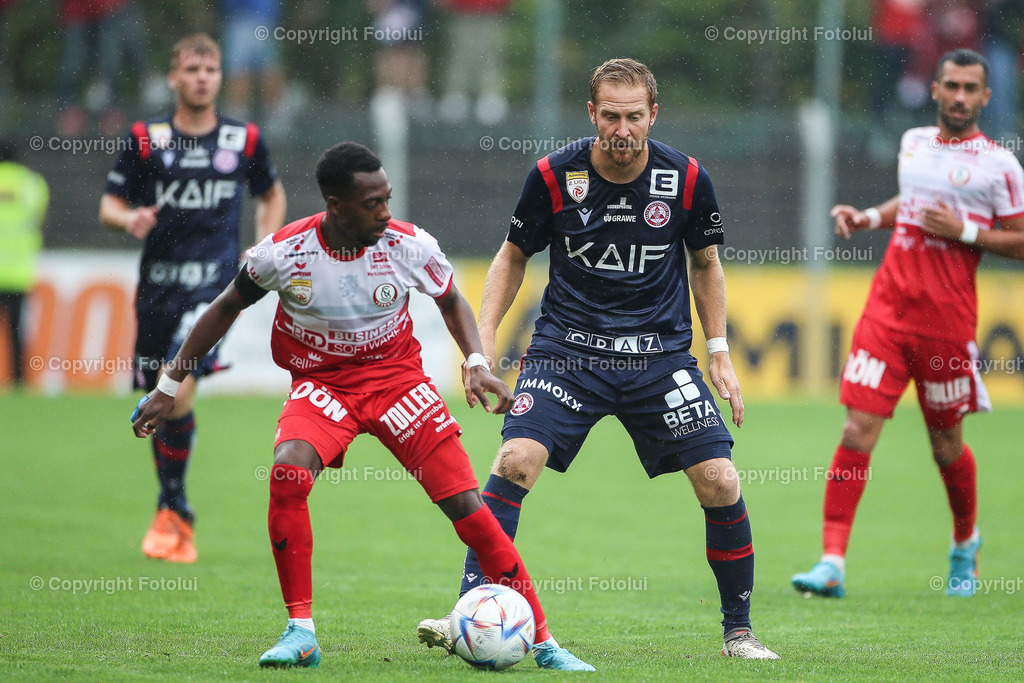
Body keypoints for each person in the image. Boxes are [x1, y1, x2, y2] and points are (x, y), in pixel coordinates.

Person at [130, 141, 589, 670]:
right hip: (323, 385)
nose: (385, 212)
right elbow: (225, 306)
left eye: (387, 198)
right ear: (336, 204)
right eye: (372, 202)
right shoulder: (284, 253)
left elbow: (450, 299)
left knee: (467, 506)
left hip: (397, 384)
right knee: (286, 474)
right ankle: (300, 631)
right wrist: (168, 387)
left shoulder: (407, 245)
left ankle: (546, 641)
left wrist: (477, 361)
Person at [417, 58, 779, 661]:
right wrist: (479, 347)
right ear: (591, 114)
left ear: (652, 115)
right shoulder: (554, 176)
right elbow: (511, 258)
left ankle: (739, 633)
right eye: (610, 115)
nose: (622, 129)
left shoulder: (687, 179)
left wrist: (718, 351)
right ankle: (470, 610)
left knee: (719, 479)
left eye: (634, 116)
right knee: (516, 458)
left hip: (659, 357)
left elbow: (706, 264)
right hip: (567, 353)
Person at [792, 49, 1024, 599]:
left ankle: (966, 541)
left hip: (945, 323)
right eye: (952, 85)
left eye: (971, 88)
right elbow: (914, 203)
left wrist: (964, 232)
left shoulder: (1000, 165)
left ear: (985, 97)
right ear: (936, 89)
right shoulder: (914, 142)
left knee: (946, 446)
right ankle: (831, 562)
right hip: (888, 311)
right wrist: (869, 216)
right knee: (856, 429)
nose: (961, 96)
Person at [100, 33, 286, 564]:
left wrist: (264, 243)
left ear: (220, 77)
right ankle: (174, 509)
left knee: (173, 391)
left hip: (213, 292)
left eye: (211, 69)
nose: (203, 77)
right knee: (155, 404)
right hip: (156, 288)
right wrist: (127, 217)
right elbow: (108, 204)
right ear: (174, 77)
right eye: (192, 69)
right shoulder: (146, 138)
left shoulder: (244, 138)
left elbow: (271, 191)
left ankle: (172, 508)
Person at [0, 138, 49, 387]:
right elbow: (37, 216)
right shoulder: (31, 182)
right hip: (19, 271)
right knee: (16, 333)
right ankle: (18, 381)